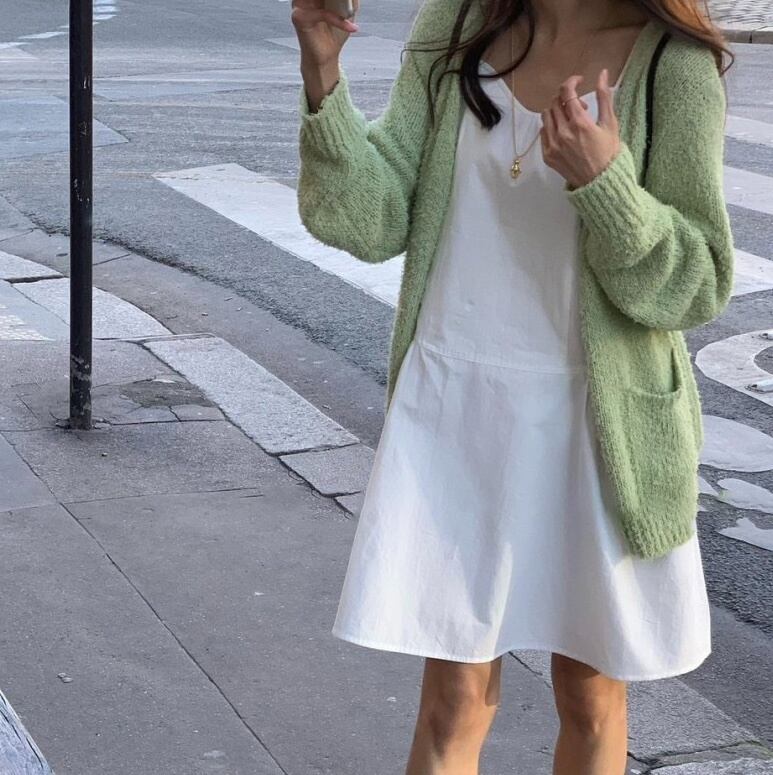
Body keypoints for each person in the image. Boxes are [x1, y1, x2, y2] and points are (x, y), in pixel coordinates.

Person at [291, 0, 735, 771]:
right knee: (452, 701)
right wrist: (322, 74)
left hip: (595, 423)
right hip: (456, 407)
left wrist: (607, 185)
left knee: (588, 697)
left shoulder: (671, 63)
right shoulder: (456, 23)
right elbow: (374, 217)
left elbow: (697, 283)